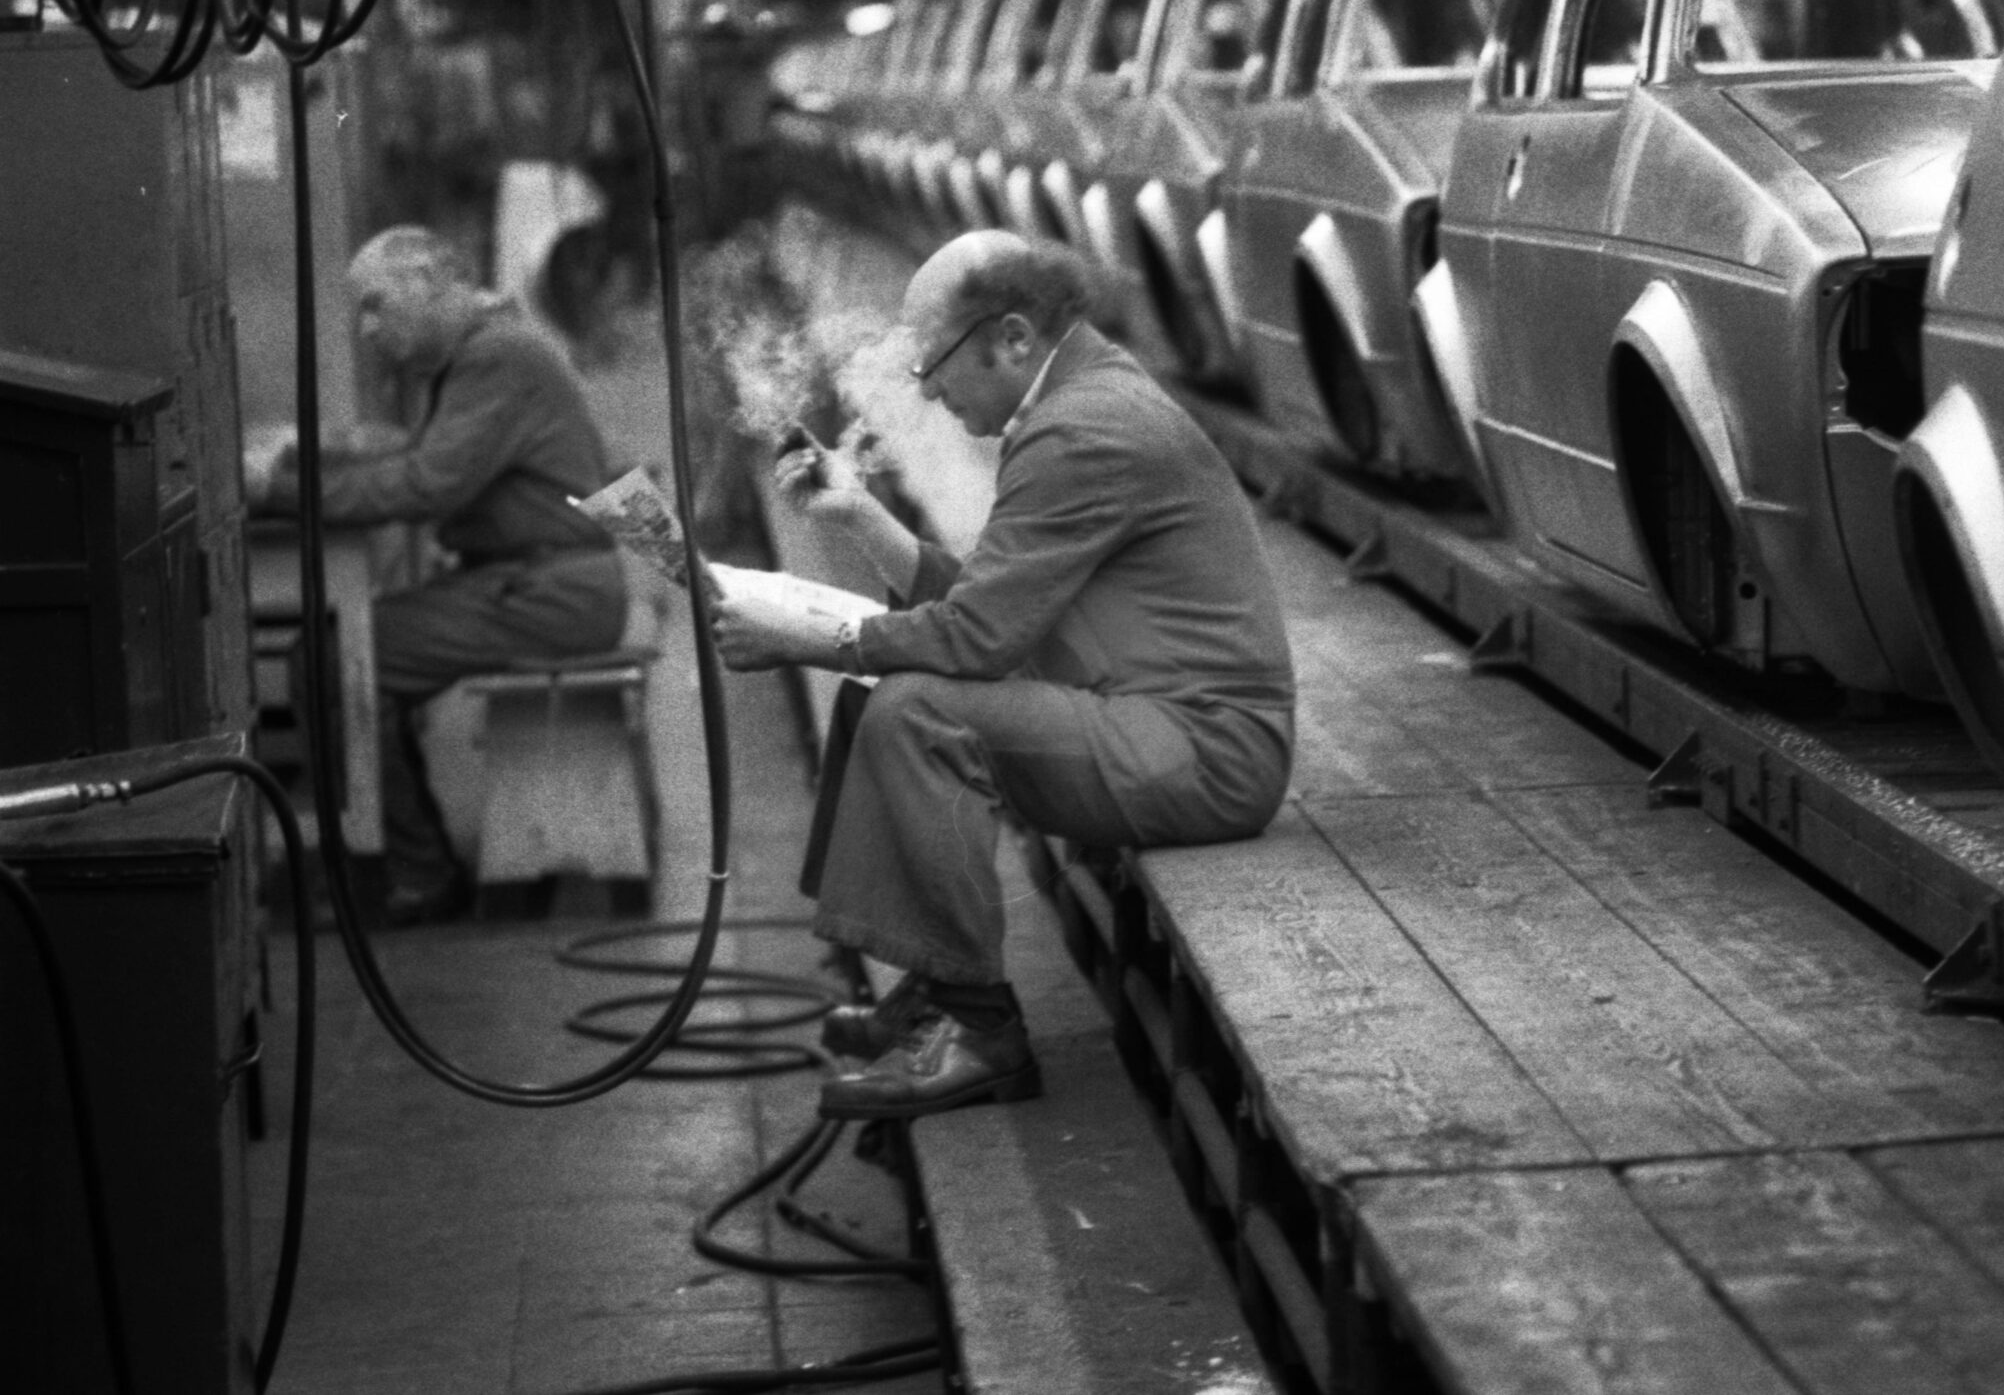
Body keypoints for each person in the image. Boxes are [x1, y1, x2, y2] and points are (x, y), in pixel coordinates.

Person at [712, 230, 1295, 1120]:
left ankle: (981, 1027)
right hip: (1147, 720)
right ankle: (940, 984)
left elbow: (979, 636)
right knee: (891, 700)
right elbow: (1002, 611)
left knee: (913, 712)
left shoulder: (1084, 430)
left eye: (934, 366)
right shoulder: (1082, 405)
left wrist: (800, 640)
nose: (930, 391)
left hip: (1207, 752)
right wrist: (864, 518)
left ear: (1014, 340)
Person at [251, 225, 627, 924]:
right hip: (538, 582)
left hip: (549, 589)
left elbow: (426, 483)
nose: (366, 330)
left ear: (429, 280)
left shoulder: (498, 357)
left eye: (375, 305)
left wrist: (275, 491)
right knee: (346, 652)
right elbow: (422, 453)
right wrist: (309, 451)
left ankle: (415, 876)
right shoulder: (477, 357)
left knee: (330, 662)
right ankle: (401, 858)